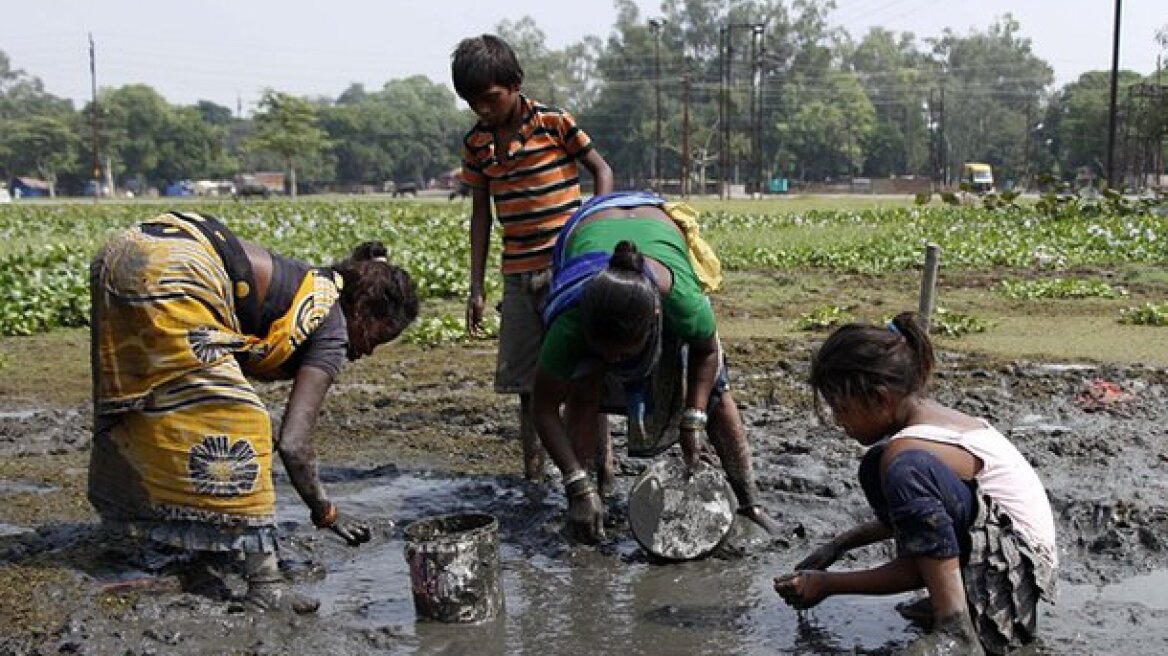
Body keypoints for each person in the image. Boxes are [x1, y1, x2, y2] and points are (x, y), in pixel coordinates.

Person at [88, 210, 419, 613]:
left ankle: (175, 535)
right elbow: (293, 444)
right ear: (364, 310)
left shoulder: (306, 288)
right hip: (172, 269)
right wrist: (325, 511)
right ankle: (266, 583)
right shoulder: (329, 324)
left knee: (159, 403)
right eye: (376, 338)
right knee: (242, 423)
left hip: (124, 253)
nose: (365, 352)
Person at [774, 312, 1058, 655]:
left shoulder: (907, 454)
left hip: (1012, 582)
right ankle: (956, 602)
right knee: (876, 466)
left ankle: (955, 628)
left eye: (841, 408)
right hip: (1010, 563)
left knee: (898, 468)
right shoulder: (930, 427)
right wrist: (842, 544)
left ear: (879, 399)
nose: (838, 422)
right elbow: (931, 531)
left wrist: (829, 585)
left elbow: (927, 553)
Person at [532, 191, 778, 543]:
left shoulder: (681, 302)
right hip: (588, 229)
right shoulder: (571, 320)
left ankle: (750, 502)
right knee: (583, 388)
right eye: (607, 354)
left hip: (654, 223)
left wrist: (694, 418)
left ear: (656, 321)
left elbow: (706, 353)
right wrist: (576, 484)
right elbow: (543, 408)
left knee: (717, 394)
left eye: (623, 353)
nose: (615, 362)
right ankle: (586, 497)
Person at [451, 34, 613, 484]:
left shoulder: (554, 123)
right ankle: (534, 475)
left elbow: (601, 169)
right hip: (517, 273)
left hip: (567, 269)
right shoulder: (477, 143)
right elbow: (481, 214)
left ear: (515, 83)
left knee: (584, 374)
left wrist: (596, 231)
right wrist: (476, 286)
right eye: (472, 103)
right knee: (527, 382)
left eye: (490, 99)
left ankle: (602, 471)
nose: (483, 110)